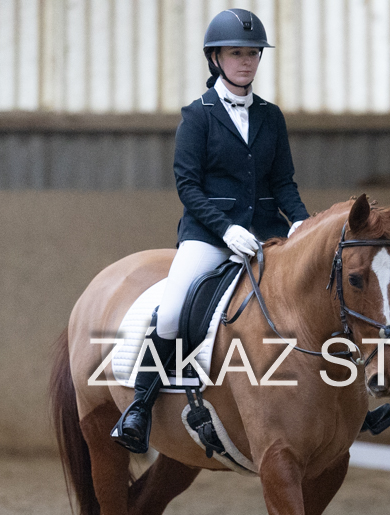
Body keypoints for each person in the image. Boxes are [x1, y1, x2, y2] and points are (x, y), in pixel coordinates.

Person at [113, 8, 309, 453]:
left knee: (317, 294)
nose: (246, 62)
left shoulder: (271, 116)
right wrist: (225, 230)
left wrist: (300, 220)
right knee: (172, 310)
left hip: (266, 233)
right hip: (209, 235)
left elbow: (283, 183)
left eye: (252, 54)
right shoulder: (197, 116)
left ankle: (348, 401)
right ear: (216, 58)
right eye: (236, 53)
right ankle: (140, 407)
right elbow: (188, 186)